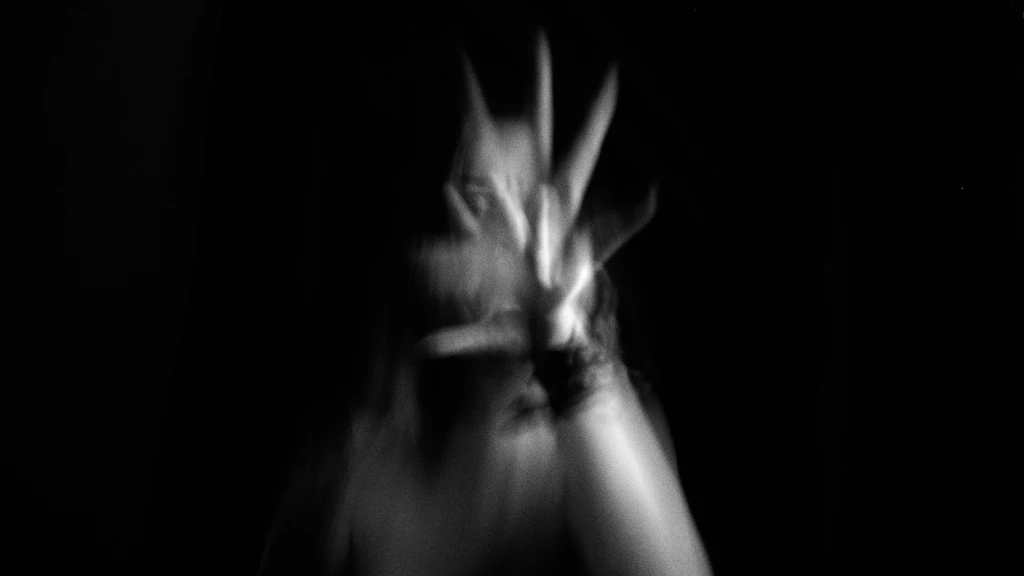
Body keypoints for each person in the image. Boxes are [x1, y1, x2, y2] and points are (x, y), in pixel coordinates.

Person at [258, 31, 712, 576]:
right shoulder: (359, 442)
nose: (509, 237)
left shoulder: (605, 427)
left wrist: (566, 353)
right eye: (478, 197)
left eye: (528, 203)